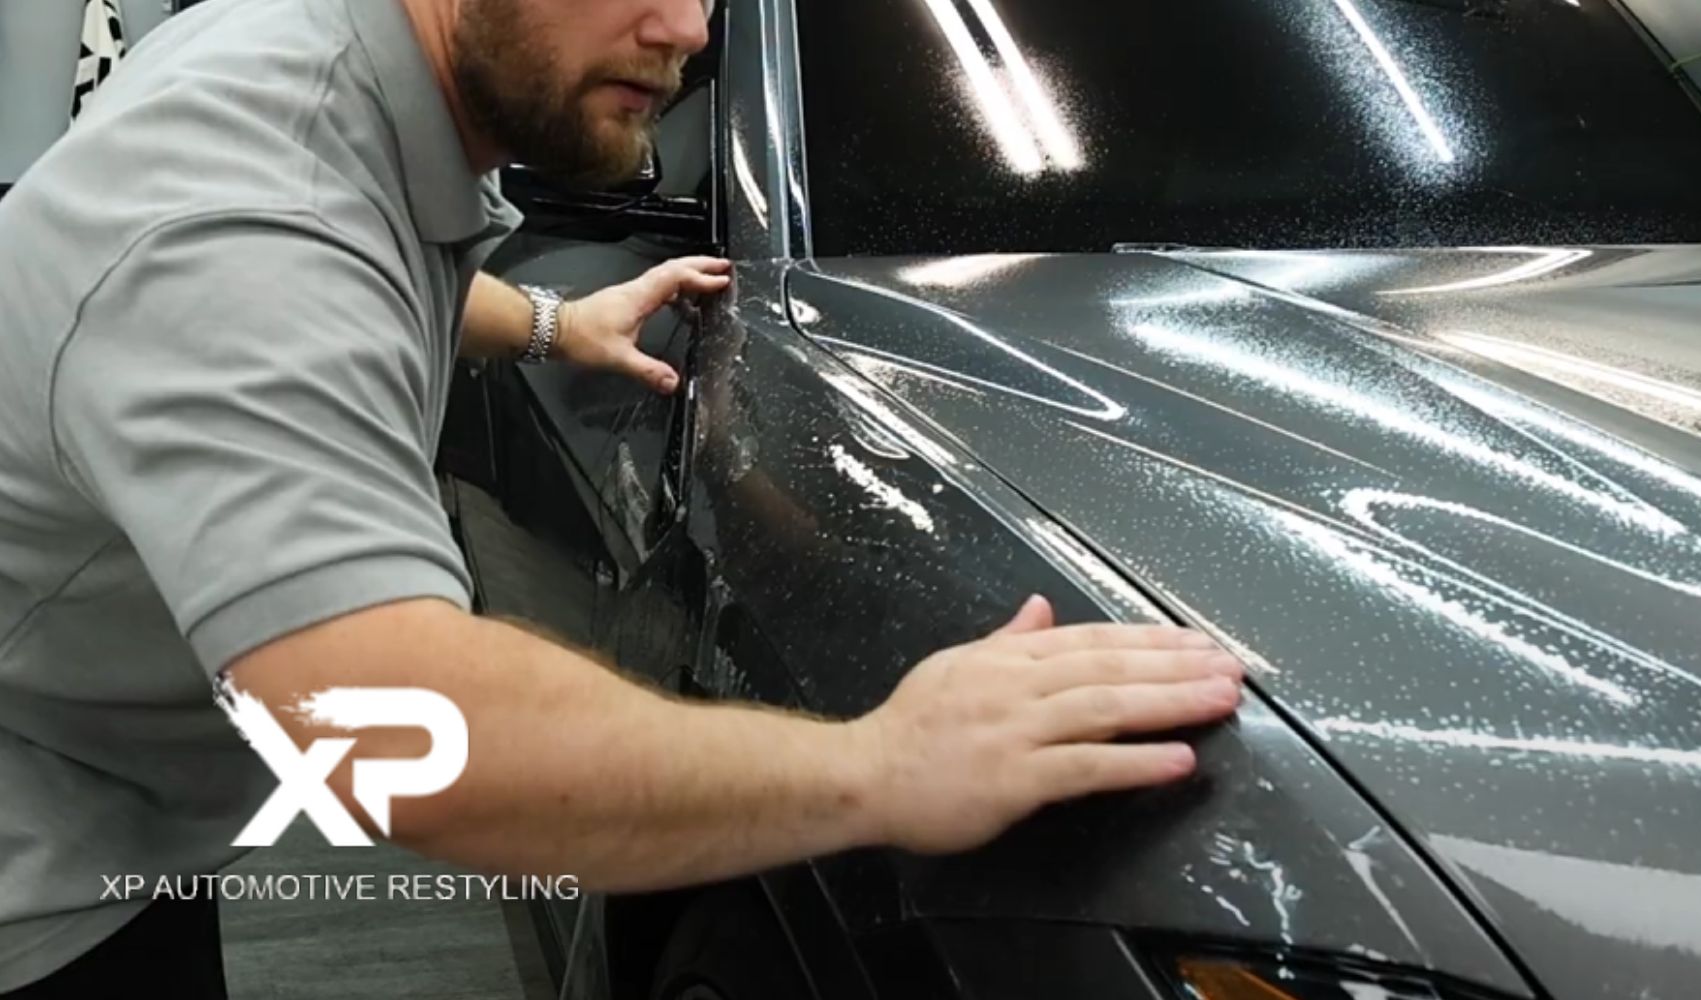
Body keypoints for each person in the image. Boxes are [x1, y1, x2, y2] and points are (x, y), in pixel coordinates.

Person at [0, 0, 1248, 995]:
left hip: (117, 802)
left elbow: (362, 274)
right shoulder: (244, 216)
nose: (691, 28)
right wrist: (883, 766)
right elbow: (391, 735)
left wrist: (552, 321)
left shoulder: (330, 63)